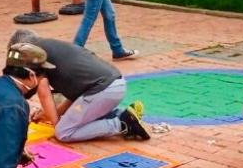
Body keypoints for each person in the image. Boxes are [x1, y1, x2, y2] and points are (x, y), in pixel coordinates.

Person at [10, 29, 149, 142]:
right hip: (115, 86)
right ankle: (123, 114)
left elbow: (44, 93)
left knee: (64, 133)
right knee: (74, 119)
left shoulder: (34, 55)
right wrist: (49, 114)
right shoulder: (54, 47)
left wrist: (56, 124)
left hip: (102, 91)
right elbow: (74, 98)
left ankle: (122, 124)